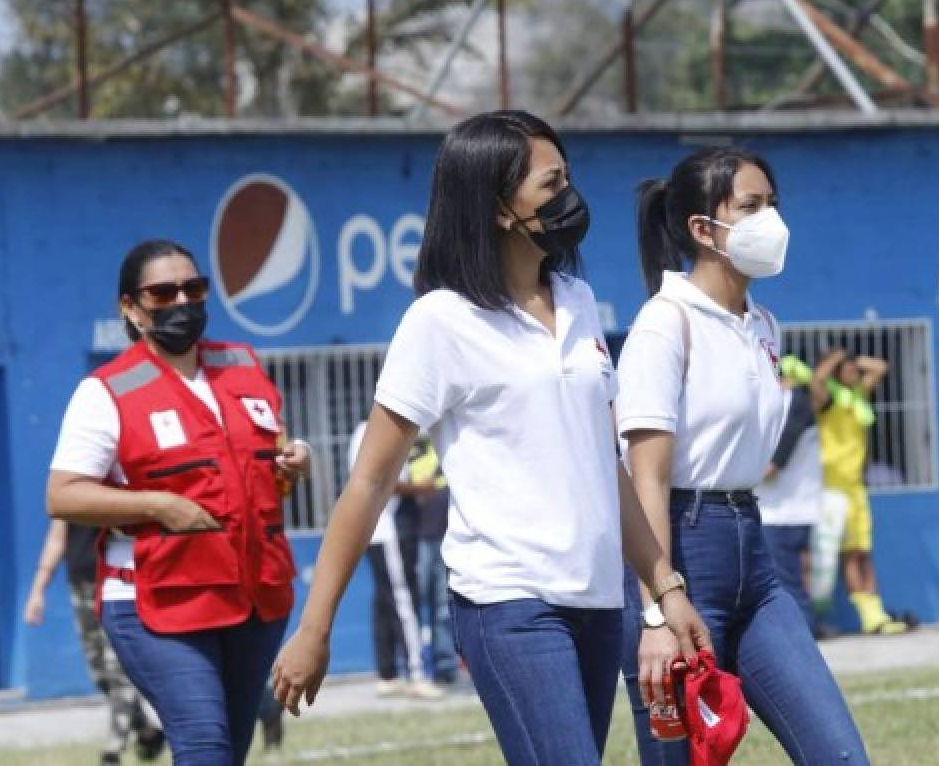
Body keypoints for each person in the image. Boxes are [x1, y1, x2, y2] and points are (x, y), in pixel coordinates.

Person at [271, 110, 709, 766]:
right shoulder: (440, 322)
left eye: (568, 179)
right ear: (501, 208)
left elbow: (606, 464)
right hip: (508, 604)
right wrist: (315, 626)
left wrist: (664, 589)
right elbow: (368, 481)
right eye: (551, 184)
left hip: (596, 602)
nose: (570, 198)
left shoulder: (578, 299)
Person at [618, 147, 868, 765]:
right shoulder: (663, 324)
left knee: (839, 755)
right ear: (703, 230)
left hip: (752, 558)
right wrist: (657, 610)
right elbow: (643, 479)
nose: (771, 221)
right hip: (679, 549)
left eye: (773, 204)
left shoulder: (763, 324)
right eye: (752, 207)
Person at [47, 239, 312, 766]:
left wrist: (293, 463)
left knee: (226, 753)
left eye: (194, 288)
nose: (182, 302)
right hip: (155, 601)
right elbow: (62, 494)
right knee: (204, 746)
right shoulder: (106, 391)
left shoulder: (242, 366)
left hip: (254, 597)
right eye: (163, 292)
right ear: (131, 307)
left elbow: (263, 466)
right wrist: (158, 506)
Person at [23, 519, 165, 766]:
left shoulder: (117, 482)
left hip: (119, 585)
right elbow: (57, 538)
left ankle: (113, 750)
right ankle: (146, 730)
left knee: (118, 670)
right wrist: (38, 591)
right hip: (81, 587)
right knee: (99, 673)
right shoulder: (69, 485)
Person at [349, 422, 443, 699]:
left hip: (378, 527)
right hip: (388, 526)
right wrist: (420, 488)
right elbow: (378, 481)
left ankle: (388, 673)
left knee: (386, 599)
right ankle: (417, 673)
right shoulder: (378, 430)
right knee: (403, 599)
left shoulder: (364, 431)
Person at [817, 348, 907, 635]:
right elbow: (817, 380)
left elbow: (881, 367)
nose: (855, 371)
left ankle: (875, 613)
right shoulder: (828, 398)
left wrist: (853, 359)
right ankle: (866, 616)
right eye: (849, 368)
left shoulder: (858, 397)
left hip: (856, 488)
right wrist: (835, 358)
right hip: (832, 491)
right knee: (846, 556)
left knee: (862, 551)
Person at [755, 355, 831, 634]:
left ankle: (804, 634)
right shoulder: (796, 402)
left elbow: (775, 464)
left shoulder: (792, 402)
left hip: (784, 511)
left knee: (787, 582)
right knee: (795, 577)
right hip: (792, 509)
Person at [407, 435, 461, 683]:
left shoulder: (450, 444)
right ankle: (415, 666)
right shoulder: (410, 449)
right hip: (416, 537)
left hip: (445, 537)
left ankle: (445, 666)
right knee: (413, 604)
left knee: (442, 607)